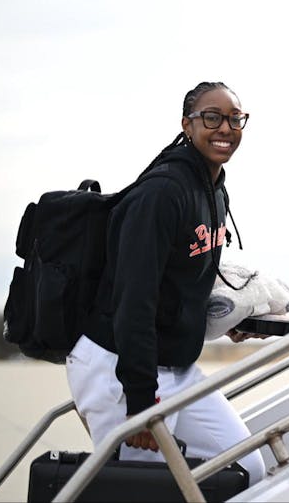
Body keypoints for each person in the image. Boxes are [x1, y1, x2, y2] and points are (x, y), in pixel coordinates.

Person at [66, 81, 267, 483]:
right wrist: (140, 402)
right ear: (187, 125)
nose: (225, 128)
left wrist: (231, 321)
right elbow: (134, 301)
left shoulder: (213, 189)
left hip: (174, 363)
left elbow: (183, 281)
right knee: (141, 491)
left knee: (248, 468)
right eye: (211, 117)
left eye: (234, 119)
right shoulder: (162, 193)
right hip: (119, 365)